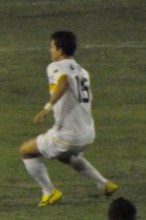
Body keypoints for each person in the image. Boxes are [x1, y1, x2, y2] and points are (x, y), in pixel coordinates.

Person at [19, 30, 117, 207]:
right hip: (87, 133)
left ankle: (49, 192)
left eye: (52, 47)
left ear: (60, 50)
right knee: (66, 156)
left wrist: (46, 108)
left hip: (68, 135)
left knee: (26, 151)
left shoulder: (55, 67)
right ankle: (103, 183)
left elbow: (64, 82)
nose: (50, 50)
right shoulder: (83, 71)